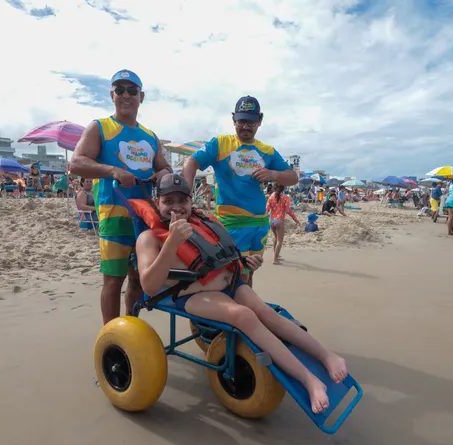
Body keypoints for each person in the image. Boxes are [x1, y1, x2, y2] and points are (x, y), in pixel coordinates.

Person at [132, 173, 347, 414]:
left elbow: (219, 256)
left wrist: (245, 262)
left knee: (269, 314)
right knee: (244, 316)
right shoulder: (148, 238)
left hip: (229, 284)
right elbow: (149, 286)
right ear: (156, 201)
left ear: (191, 202)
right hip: (188, 295)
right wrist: (171, 242)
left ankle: (326, 356)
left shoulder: (203, 223)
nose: (176, 207)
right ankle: (309, 380)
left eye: (182, 200)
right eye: (168, 201)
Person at [68, 69, 173, 325]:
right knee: (113, 280)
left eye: (132, 91)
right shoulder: (100, 127)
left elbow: (165, 168)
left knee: (138, 277)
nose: (126, 95)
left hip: (145, 218)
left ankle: (131, 326)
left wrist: (162, 174)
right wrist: (112, 170)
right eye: (120, 90)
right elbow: (77, 163)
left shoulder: (150, 136)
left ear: (141, 96)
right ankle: (112, 335)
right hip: (113, 216)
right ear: (112, 95)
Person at [181, 95, 298, 287]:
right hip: (231, 223)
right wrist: (185, 196)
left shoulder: (267, 151)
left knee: (249, 273)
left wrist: (273, 174)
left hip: (260, 223)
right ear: (233, 118)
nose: (245, 126)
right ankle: (233, 313)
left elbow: (292, 177)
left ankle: (245, 310)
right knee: (232, 274)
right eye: (242, 121)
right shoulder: (220, 144)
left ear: (260, 120)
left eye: (251, 121)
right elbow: (191, 162)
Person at [266, 183, 299, 264]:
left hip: (271, 220)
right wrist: (295, 219)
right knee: (280, 240)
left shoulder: (271, 197)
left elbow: (266, 209)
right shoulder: (285, 197)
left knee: (275, 238)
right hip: (279, 220)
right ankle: (275, 259)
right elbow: (288, 210)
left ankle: (276, 255)